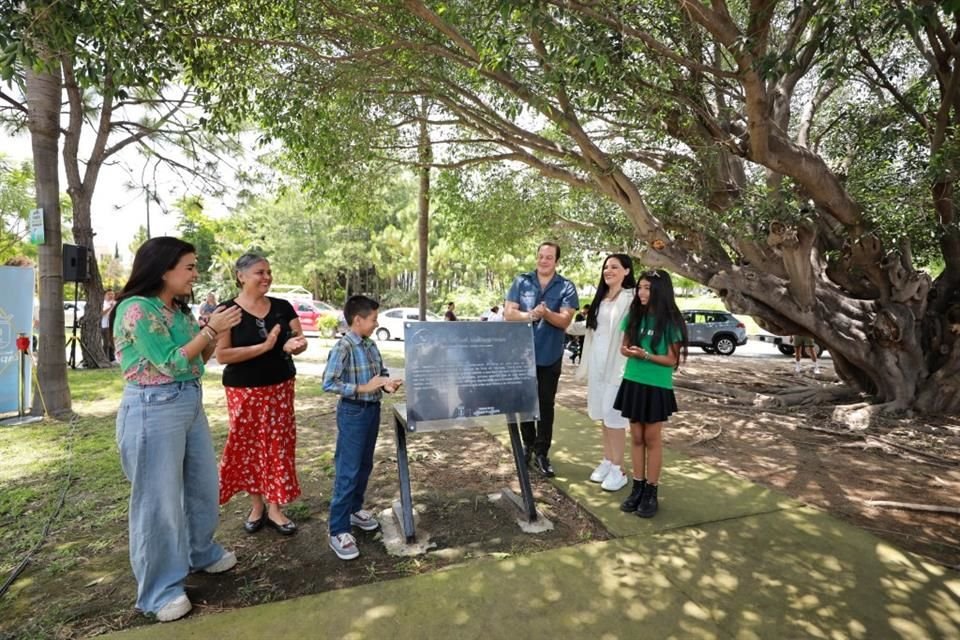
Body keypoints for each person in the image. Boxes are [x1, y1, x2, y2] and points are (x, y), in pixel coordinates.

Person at [111, 236, 243, 622]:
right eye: (189, 266)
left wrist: (213, 331)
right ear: (163, 269)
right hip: (153, 409)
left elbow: (198, 361)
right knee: (158, 502)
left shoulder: (179, 311)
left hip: (187, 404)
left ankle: (198, 552)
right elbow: (170, 362)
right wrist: (209, 330)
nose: (195, 274)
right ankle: (158, 590)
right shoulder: (136, 310)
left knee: (203, 486)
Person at [215, 253, 309, 537]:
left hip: (280, 387)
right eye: (260, 272)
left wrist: (296, 344)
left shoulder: (282, 306)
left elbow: (299, 338)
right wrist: (265, 347)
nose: (267, 277)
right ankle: (256, 506)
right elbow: (222, 355)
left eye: (269, 272)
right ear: (241, 276)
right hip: (243, 390)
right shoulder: (227, 311)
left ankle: (276, 508)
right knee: (250, 447)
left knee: (278, 445)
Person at [322, 295, 402, 560]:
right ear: (358, 320)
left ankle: (355, 510)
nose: (376, 324)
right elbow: (329, 383)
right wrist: (361, 388)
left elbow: (380, 373)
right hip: (353, 413)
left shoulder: (370, 345)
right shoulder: (343, 347)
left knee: (365, 465)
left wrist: (387, 384)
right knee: (348, 469)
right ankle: (338, 529)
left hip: (372, 411)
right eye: (373, 319)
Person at [614, 269, 687, 519]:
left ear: (660, 291)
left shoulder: (670, 321)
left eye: (647, 288)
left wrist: (645, 355)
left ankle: (651, 491)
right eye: (640, 287)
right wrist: (629, 351)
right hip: (633, 381)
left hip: (656, 386)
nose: (642, 293)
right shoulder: (635, 315)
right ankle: (637, 487)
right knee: (635, 436)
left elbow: (671, 360)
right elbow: (623, 347)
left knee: (652, 438)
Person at [504, 241, 579, 477]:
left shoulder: (566, 286)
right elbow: (509, 313)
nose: (543, 260)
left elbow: (565, 321)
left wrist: (546, 313)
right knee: (524, 402)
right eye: (540, 256)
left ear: (556, 261)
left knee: (546, 405)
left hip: (550, 354)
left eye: (549, 257)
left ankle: (542, 452)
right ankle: (527, 447)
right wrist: (530, 315)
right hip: (522, 354)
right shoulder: (521, 281)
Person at [574, 254, 636, 492]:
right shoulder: (600, 299)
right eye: (606, 267)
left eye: (615, 267)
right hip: (597, 364)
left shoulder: (631, 299)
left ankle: (619, 469)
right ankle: (608, 460)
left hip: (618, 366)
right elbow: (589, 328)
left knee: (615, 417)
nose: (608, 270)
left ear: (627, 271)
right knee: (602, 414)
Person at [101, 289, 116, 361]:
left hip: (113, 325)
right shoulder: (103, 303)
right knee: (106, 343)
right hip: (105, 325)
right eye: (109, 294)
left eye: (112, 294)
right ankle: (105, 357)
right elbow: (101, 314)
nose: (111, 296)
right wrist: (110, 307)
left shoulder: (115, 303)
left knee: (112, 342)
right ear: (104, 295)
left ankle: (112, 358)